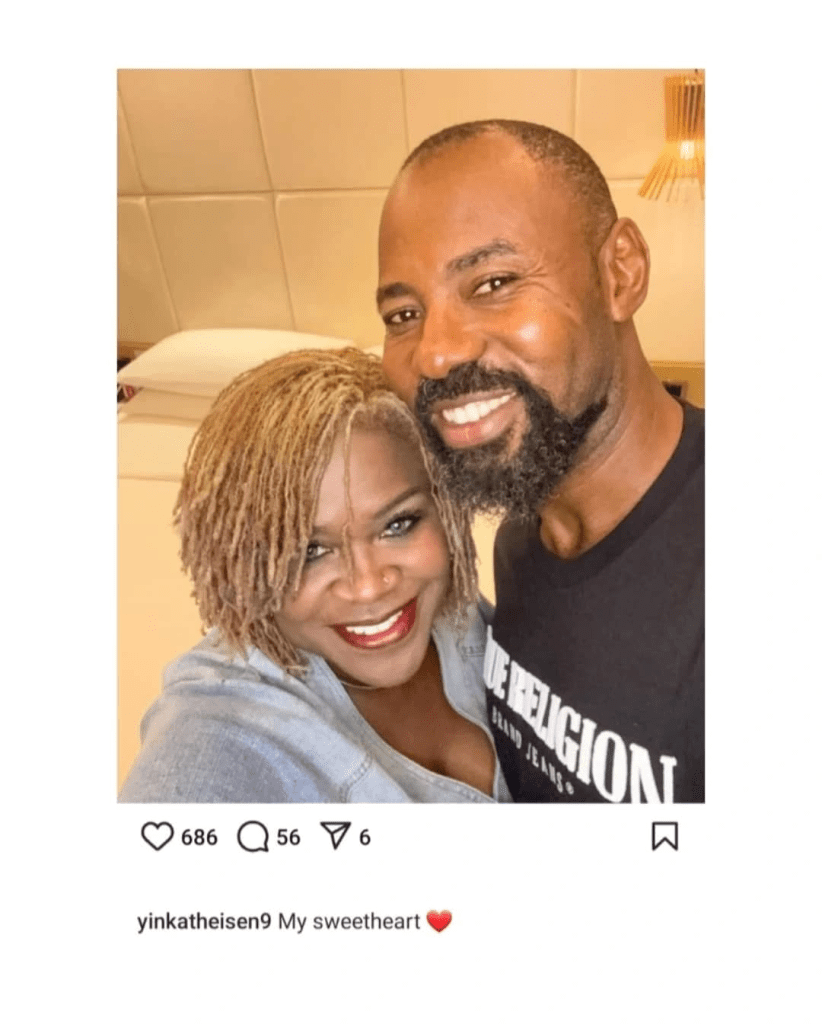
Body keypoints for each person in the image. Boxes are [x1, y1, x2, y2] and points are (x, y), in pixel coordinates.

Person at [376, 119, 704, 803]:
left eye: (493, 281)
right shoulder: (524, 532)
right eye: (404, 314)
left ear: (620, 272)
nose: (435, 353)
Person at [119, 347, 511, 803]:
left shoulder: (460, 612)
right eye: (310, 551)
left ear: (445, 509)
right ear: (242, 561)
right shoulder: (218, 725)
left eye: (397, 525)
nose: (368, 585)